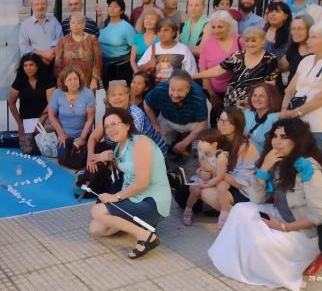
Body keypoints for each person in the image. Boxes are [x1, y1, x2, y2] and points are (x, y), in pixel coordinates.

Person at [209, 118, 322, 291]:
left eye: (284, 137)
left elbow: (319, 215)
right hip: (281, 213)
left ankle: (311, 258)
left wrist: (283, 227)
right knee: (240, 210)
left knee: (261, 246)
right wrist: (264, 168)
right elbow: (257, 199)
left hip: (302, 230)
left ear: (297, 140)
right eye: (275, 136)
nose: (277, 142)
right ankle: (236, 261)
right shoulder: (275, 160)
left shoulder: (308, 169)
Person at [87, 107, 171, 259]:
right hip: (135, 197)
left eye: (114, 124)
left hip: (152, 200)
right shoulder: (120, 145)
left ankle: (146, 236)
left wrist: (116, 197)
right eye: (107, 127)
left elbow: (142, 183)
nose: (110, 129)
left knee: (97, 211)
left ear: (127, 124)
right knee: (96, 229)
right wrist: (105, 157)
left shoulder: (141, 142)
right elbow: (126, 166)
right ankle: (142, 225)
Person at [281, 21, 322, 150]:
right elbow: (290, 90)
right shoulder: (306, 60)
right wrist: (284, 111)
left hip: (318, 125)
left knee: (310, 164)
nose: (308, 41)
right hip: (297, 122)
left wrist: (297, 112)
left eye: (313, 37)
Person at [199, 107, 258, 227]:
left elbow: (240, 184)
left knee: (206, 193)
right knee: (192, 190)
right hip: (223, 184)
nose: (221, 124)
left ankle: (240, 219)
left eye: (226, 121)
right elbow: (204, 164)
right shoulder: (218, 140)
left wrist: (212, 170)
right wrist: (203, 172)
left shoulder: (245, 146)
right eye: (220, 120)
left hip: (243, 190)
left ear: (237, 124)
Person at [193, 26, 278, 109]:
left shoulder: (270, 59)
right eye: (247, 41)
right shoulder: (238, 55)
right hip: (231, 102)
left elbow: (270, 84)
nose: (250, 44)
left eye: (253, 41)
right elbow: (218, 70)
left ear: (262, 41)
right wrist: (192, 76)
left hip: (253, 104)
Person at [88, 80, 167, 157]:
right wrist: (90, 157)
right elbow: (93, 137)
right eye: (113, 95)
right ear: (108, 99)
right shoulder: (110, 114)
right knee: (95, 151)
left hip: (152, 152)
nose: (117, 98)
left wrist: (104, 157)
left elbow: (130, 144)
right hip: (124, 148)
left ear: (128, 96)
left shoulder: (135, 114)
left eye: (121, 94)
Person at [144, 70, 208, 155]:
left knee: (200, 148)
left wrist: (184, 143)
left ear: (188, 89)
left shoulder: (199, 97)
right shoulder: (160, 89)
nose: (175, 94)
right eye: (172, 89)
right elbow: (147, 103)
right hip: (167, 119)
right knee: (157, 145)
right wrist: (155, 124)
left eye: (180, 90)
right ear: (169, 84)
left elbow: (202, 123)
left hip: (193, 122)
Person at [8, 54, 56, 154]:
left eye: (31, 65)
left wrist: (41, 120)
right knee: (27, 150)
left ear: (37, 66)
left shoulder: (47, 77)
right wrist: (19, 124)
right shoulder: (20, 79)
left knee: (48, 134)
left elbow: (51, 102)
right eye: (25, 65)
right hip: (27, 119)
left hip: (45, 116)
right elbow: (11, 102)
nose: (28, 68)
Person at [48, 67, 96, 165]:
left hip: (83, 134)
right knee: (63, 160)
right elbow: (51, 115)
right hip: (64, 134)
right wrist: (61, 134)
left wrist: (82, 137)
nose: (73, 82)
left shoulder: (88, 93)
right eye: (69, 79)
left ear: (79, 79)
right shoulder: (58, 93)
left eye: (75, 79)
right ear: (64, 82)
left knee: (80, 162)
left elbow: (90, 119)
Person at [198, 10, 243, 113]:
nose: (216, 30)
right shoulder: (207, 44)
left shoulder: (240, 41)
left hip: (237, 94)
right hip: (215, 93)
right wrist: (212, 95)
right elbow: (203, 72)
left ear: (228, 26)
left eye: (220, 27)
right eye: (213, 27)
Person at [182, 129, 230, 226]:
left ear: (214, 144)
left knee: (222, 187)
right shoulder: (202, 154)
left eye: (203, 142)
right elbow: (201, 168)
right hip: (204, 179)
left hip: (216, 180)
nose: (199, 144)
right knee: (195, 190)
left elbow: (221, 176)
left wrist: (208, 180)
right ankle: (188, 211)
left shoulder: (221, 156)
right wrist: (199, 172)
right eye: (199, 141)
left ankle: (224, 213)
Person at [54, 12, 103, 88]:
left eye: (79, 23)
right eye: (73, 22)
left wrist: (94, 79)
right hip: (68, 80)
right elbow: (58, 63)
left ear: (84, 24)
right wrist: (61, 79)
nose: (75, 25)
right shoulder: (63, 40)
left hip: (88, 80)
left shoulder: (92, 39)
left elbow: (98, 61)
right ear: (69, 24)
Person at [98, 0, 136, 89]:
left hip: (122, 66)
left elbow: (134, 46)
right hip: (106, 65)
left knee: (122, 93)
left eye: (115, 7)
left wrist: (132, 62)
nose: (112, 8)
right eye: (110, 6)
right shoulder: (105, 24)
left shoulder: (127, 28)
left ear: (121, 11)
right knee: (109, 94)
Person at [19, 0, 63, 66]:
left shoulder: (54, 21)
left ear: (47, 5)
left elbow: (60, 39)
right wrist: (43, 55)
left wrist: (51, 53)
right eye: (37, 4)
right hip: (35, 64)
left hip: (54, 62)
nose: (40, 7)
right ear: (32, 7)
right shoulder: (25, 24)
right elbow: (24, 47)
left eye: (43, 4)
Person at [278, 15, 314, 92]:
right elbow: (279, 68)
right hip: (290, 93)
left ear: (310, 29)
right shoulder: (293, 48)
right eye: (293, 29)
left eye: (300, 29)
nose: (295, 32)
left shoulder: (316, 51)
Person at [244, 83, 281, 153]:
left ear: (271, 98)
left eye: (261, 96)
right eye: (254, 95)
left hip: (264, 158)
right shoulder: (248, 113)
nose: (257, 99)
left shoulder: (276, 118)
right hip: (246, 155)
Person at [131, 8, 162, 72]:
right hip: (139, 70)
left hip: (156, 72)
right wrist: (137, 72)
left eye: (152, 19)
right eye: (146, 18)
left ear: (158, 22)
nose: (149, 21)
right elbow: (132, 60)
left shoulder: (161, 38)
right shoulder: (137, 37)